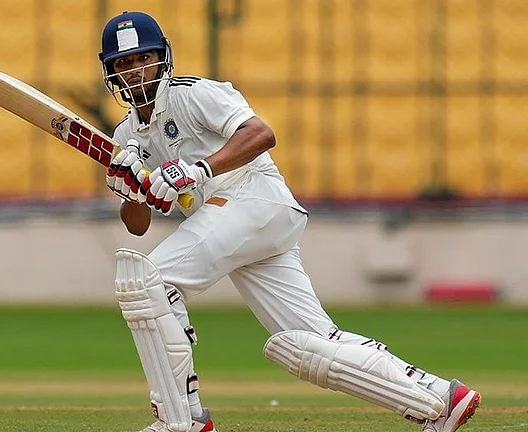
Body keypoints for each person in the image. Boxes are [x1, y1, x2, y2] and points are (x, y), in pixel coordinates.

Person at [99, 11, 480, 432]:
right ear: (111, 73)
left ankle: (181, 420)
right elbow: (137, 224)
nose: (134, 71)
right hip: (236, 227)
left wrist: (200, 169)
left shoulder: (192, 94)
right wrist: (132, 190)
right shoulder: (124, 137)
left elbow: (261, 133)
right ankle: (441, 399)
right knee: (314, 344)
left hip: (252, 196)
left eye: (142, 59)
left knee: (148, 281)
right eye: (124, 63)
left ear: (161, 58)